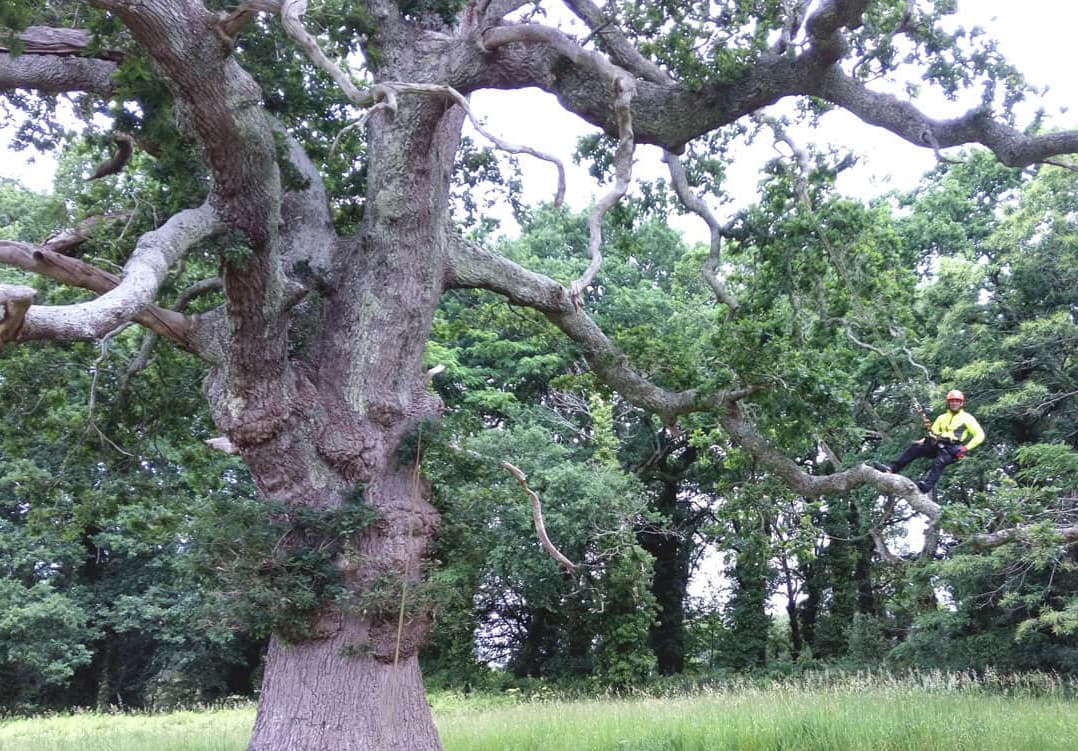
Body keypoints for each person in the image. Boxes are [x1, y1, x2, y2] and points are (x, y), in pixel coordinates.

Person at [874, 389, 985, 493]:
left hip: (953, 447)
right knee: (915, 448)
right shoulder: (942, 417)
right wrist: (923, 440)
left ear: (961, 403)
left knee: (939, 462)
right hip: (939, 443)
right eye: (952, 401)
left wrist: (965, 448)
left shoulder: (967, 418)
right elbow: (934, 433)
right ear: (948, 403)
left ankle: (926, 486)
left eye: (957, 401)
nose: (954, 403)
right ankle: (892, 468)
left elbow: (980, 435)